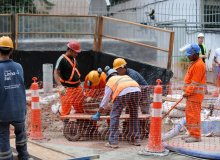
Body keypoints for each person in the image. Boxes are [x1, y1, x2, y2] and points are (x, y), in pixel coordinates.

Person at [92, 66, 142, 148]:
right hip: (137, 91)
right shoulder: (125, 76)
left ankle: (113, 142)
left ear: (108, 77)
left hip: (122, 93)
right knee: (134, 116)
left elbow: (105, 100)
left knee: (114, 116)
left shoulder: (110, 81)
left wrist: (98, 113)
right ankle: (136, 139)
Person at [0, 36, 33, 160]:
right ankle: (24, 156)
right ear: (10, 51)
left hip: (3, 112)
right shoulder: (19, 67)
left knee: (3, 136)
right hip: (19, 109)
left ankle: (6, 158)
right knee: (21, 133)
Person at [54, 40, 85, 128]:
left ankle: (80, 127)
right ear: (70, 50)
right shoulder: (62, 59)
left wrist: (80, 84)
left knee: (80, 108)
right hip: (67, 89)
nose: (77, 54)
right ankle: (66, 129)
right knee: (66, 110)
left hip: (76, 88)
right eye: (76, 52)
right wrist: (60, 86)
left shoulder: (74, 59)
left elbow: (74, 72)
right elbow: (56, 73)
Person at [182, 43, 206, 143]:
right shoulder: (195, 62)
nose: (188, 57)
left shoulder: (199, 65)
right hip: (191, 95)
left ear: (196, 54)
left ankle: (196, 136)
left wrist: (187, 92)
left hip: (195, 95)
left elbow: (195, 83)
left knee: (194, 115)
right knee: (189, 115)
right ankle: (192, 133)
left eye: (189, 55)